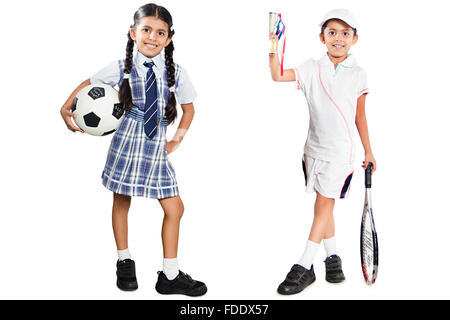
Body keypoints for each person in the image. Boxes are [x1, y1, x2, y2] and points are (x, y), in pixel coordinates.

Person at [60, 3, 207, 297]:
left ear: (169, 38)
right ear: (133, 33)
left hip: (156, 147)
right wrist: (66, 107)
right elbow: (88, 85)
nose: (152, 37)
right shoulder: (120, 68)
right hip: (127, 142)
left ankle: (170, 274)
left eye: (160, 32)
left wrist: (176, 140)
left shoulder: (176, 72)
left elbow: (189, 109)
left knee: (174, 208)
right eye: (146, 30)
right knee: (122, 200)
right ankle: (124, 261)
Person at [269, 8, 376, 295]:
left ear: (355, 38)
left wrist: (369, 151)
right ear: (322, 37)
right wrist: (273, 47)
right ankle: (332, 258)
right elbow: (278, 75)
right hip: (312, 150)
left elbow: (360, 117)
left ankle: (304, 266)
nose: (338, 38)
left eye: (345, 33)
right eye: (332, 33)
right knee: (323, 203)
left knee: (323, 205)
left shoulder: (359, 73)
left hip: (341, 153)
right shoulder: (311, 67)